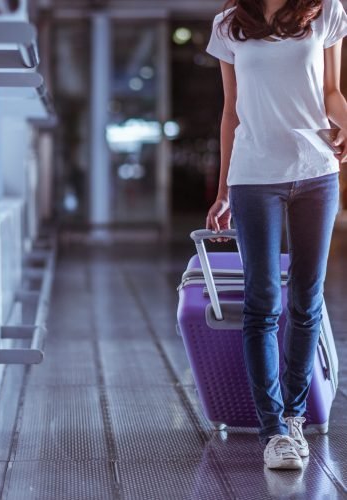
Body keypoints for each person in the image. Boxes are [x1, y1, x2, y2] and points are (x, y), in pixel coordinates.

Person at [205, 0, 347, 470]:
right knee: (262, 301)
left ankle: (295, 418)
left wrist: (344, 118)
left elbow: (331, 90)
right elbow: (231, 112)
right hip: (253, 173)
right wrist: (223, 189)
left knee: (306, 300)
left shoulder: (325, 11)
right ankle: (273, 432)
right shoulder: (229, 24)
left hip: (316, 170)